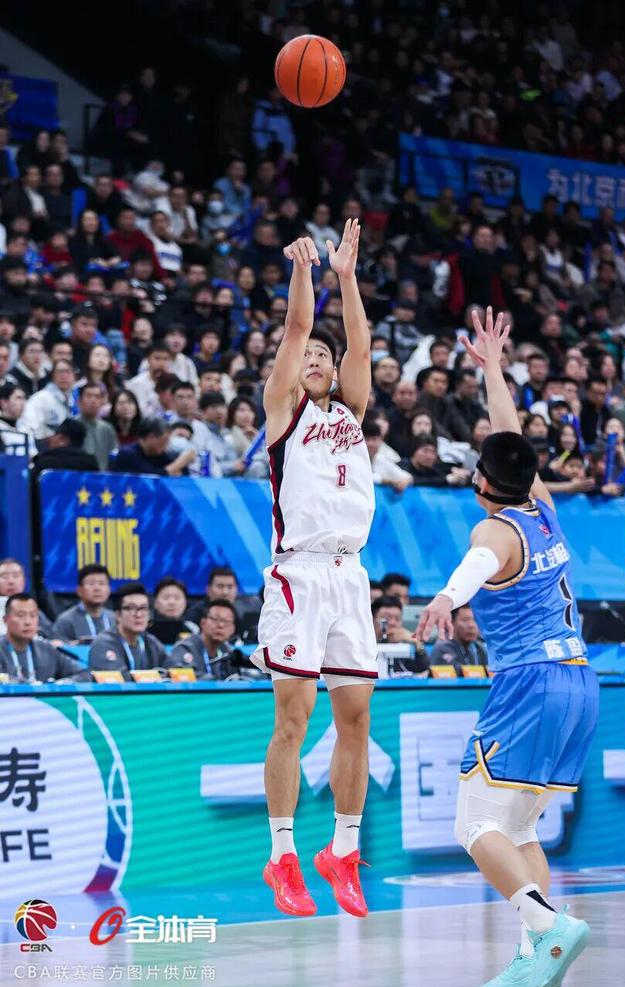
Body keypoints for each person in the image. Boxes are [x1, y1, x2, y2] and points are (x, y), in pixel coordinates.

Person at [416, 308, 599, 987]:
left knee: (473, 825)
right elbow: (511, 436)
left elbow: (477, 564)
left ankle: (548, 926)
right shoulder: (541, 505)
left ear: (480, 482)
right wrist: (494, 368)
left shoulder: (493, 530)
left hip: (530, 681)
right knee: (519, 830)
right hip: (579, 679)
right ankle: (537, 957)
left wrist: (446, 597)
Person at [250, 222, 377, 920]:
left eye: (324, 356)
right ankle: (282, 855)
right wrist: (306, 271)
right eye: (309, 356)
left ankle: (343, 851)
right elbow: (298, 327)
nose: (318, 358)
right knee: (293, 718)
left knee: (355, 718)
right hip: (298, 575)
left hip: (350, 576)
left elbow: (360, 343)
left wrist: (348, 278)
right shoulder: (284, 412)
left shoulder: (351, 413)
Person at [0, 593, 88, 682]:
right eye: (21, 615)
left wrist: (59, 685)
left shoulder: (47, 649)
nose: (27, 622)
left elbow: (83, 674)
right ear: (5, 619)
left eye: (33, 615)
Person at [88, 582, 167, 677]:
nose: (138, 614)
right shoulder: (103, 644)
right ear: (118, 615)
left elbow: (172, 669)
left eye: (143, 608)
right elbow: (119, 680)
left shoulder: (151, 642)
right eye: (131, 608)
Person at [167, 598, 245, 678]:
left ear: (233, 628)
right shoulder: (185, 648)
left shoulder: (227, 651)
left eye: (226, 621)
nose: (220, 625)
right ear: (203, 622)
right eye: (215, 619)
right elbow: (181, 674)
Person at [110, 417, 195, 476]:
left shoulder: (159, 454)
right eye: (165, 440)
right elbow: (149, 479)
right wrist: (180, 463)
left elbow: (182, 473)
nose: (167, 444)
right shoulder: (127, 454)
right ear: (151, 437)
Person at [52, 564, 115, 641]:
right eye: (91, 583)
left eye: (102, 583)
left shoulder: (115, 619)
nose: (97, 588)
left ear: (109, 590)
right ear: (79, 590)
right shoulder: (66, 621)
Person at [21, 358, 76, 440]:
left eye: (67, 371)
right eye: (60, 372)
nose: (64, 375)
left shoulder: (74, 399)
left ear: (74, 375)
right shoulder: (42, 398)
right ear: (53, 375)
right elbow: (28, 426)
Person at [0, 558, 52, 638]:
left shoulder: (34, 609)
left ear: (24, 581)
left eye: (16, 576)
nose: (11, 581)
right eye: (5, 577)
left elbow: (52, 636)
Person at [430, 604, 489, 671]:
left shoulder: (479, 648)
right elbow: (458, 673)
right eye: (465, 620)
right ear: (452, 622)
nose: (471, 625)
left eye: (475, 620)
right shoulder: (443, 647)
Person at [32, 419, 100, 475]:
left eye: (55, 434)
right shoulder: (91, 464)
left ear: (63, 440)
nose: (51, 438)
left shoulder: (44, 463)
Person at [76, 382, 118, 470]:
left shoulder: (107, 428)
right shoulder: (72, 426)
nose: (93, 400)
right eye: (89, 396)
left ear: (102, 402)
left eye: (97, 397)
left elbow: (114, 456)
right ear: (79, 401)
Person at [149, 576, 197, 645]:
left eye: (177, 598)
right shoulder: (145, 630)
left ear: (185, 603)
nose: (172, 602)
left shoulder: (193, 630)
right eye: (166, 598)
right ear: (156, 603)